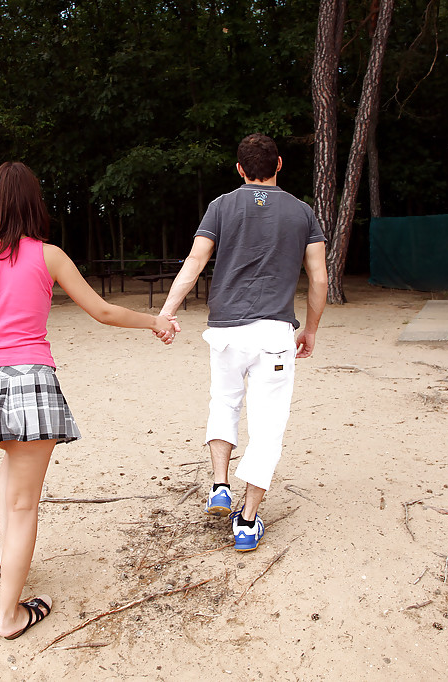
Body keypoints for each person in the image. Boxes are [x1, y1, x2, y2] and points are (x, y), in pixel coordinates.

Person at [0, 161, 177, 640]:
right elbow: (101, 311)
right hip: (30, 385)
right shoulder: (48, 256)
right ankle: (9, 615)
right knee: (24, 507)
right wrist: (156, 321)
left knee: (10, 471)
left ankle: (4, 553)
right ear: (33, 204)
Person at [156, 133, 327, 552]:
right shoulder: (304, 213)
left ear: (239, 169)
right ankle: (247, 521)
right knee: (267, 426)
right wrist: (311, 330)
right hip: (274, 335)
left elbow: (195, 262)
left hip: (227, 332)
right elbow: (319, 279)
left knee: (224, 402)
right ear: (279, 164)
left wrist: (167, 312)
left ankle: (219, 484)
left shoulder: (221, 206)